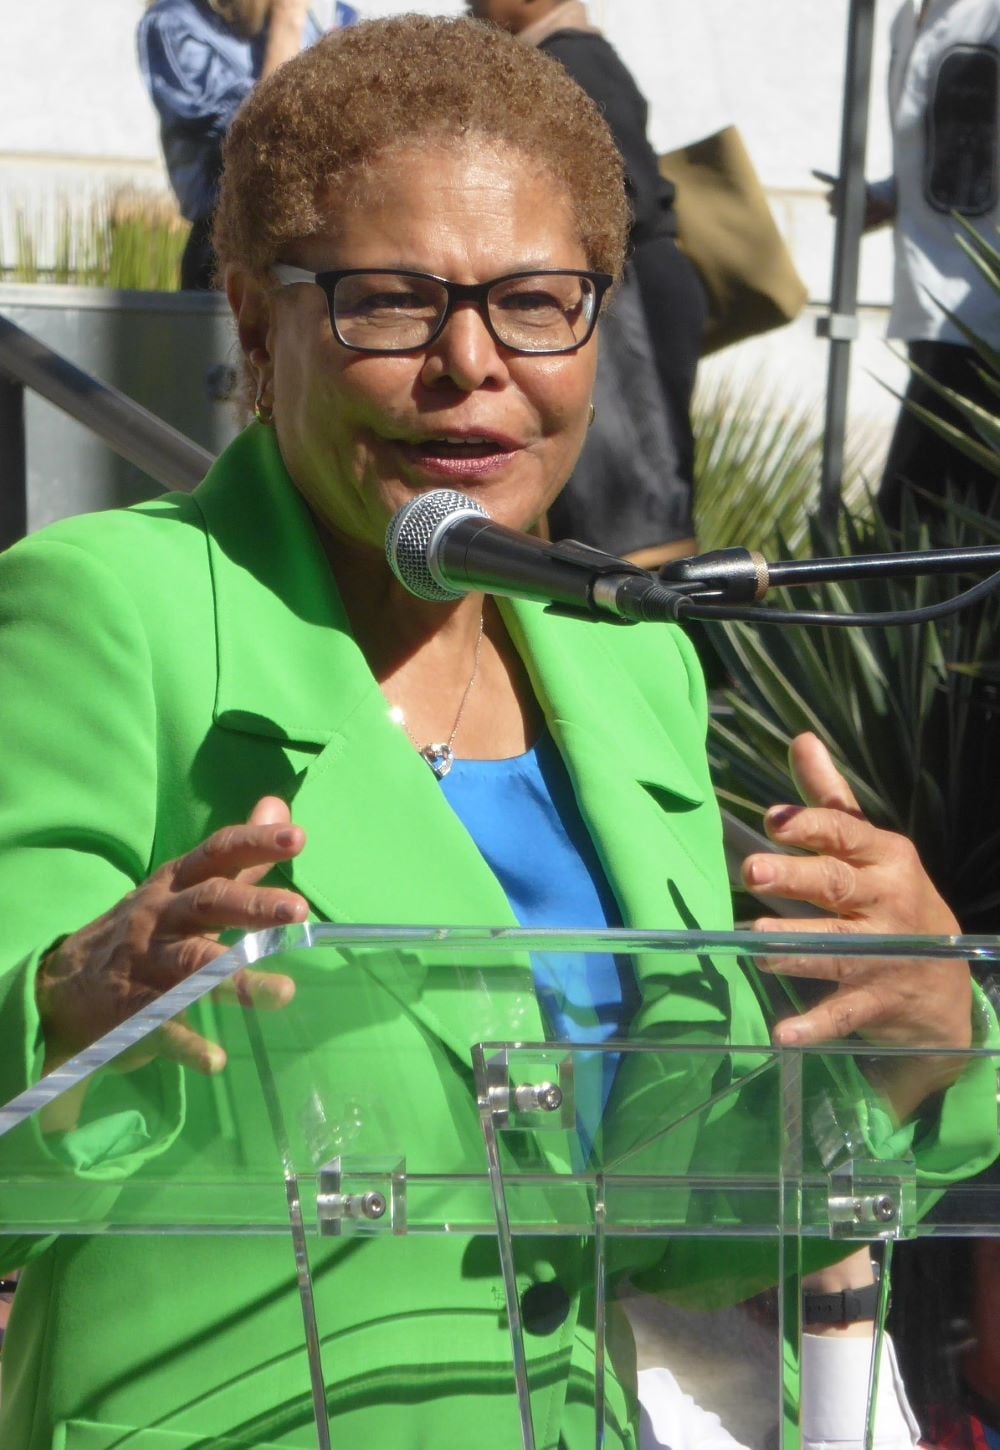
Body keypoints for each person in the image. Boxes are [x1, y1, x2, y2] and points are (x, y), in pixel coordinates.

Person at [0, 18, 993, 1448]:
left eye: (540, 301)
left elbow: (663, 1223)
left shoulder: (623, 664)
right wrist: (62, 1007)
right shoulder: (107, 612)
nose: (474, 363)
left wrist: (908, 1037)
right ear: (254, 319)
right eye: (390, 302)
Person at [468, 0, 708, 567]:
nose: (471, 5)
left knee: (633, 494)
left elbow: (621, 199)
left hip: (629, 301)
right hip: (627, 293)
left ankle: (639, 622)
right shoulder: (567, 58)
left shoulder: (573, 62)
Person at [827, 0, 1000, 524]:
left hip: (984, 320)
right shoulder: (909, 17)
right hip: (932, 312)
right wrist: (884, 194)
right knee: (922, 532)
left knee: (916, 533)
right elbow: (946, 154)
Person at [137, 0, 356, 290]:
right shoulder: (176, 22)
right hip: (232, 242)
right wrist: (287, 26)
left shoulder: (330, 15)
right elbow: (256, 141)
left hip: (324, 238)